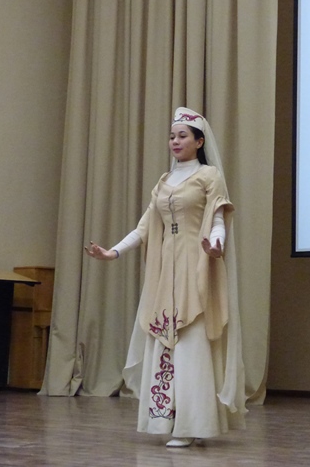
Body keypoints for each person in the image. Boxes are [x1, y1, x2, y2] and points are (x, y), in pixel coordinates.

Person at [84, 107, 245, 448]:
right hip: (164, 272)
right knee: (164, 338)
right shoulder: (163, 181)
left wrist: (216, 246)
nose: (175, 141)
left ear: (199, 141)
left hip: (195, 267)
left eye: (182, 136)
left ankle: (192, 424)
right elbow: (144, 227)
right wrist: (113, 252)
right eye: (172, 136)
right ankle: (166, 420)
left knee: (191, 340)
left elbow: (218, 219)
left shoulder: (208, 176)